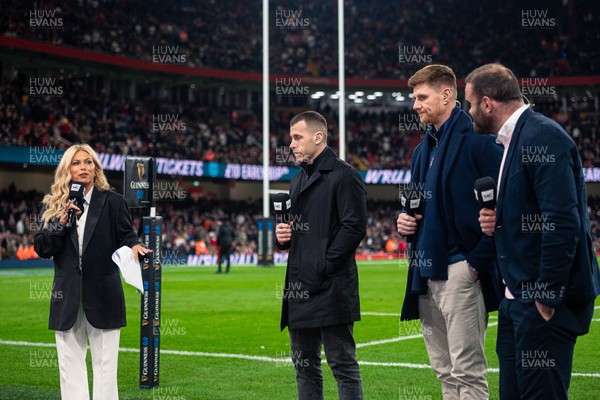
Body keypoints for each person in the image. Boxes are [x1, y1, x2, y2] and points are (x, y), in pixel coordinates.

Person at [465, 63, 600, 400]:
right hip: (517, 301)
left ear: (487, 103)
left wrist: (547, 295)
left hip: (540, 304)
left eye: (469, 104)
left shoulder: (541, 134)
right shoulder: (516, 138)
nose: (468, 112)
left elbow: (562, 221)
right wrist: (498, 221)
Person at [396, 64, 503, 400]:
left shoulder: (479, 140)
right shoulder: (421, 151)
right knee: (444, 372)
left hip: (461, 269)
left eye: (421, 97)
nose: (415, 105)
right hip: (426, 273)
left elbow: (505, 207)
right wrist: (406, 223)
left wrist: (476, 263)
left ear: (446, 96)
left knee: (467, 372)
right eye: (414, 98)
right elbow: (415, 208)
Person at [33, 144, 150, 400]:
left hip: (104, 294)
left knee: (106, 367)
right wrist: (62, 222)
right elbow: (42, 247)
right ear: (68, 169)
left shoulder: (113, 201)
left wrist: (135, 245)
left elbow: (127, 235)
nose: (83, 167)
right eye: (77, 163)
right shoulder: (54, 205)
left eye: (88, 162)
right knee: (69, 367)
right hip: (67, 297)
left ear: (95, 168)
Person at [275, 111, 367, 400]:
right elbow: (299, 233)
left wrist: (323, 264)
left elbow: (354, 227)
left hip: (331, 287)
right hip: (300, 288)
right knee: (304, 368)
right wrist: (283, 239)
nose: (291, 144)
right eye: (291, 138)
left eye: (297, 137)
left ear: (318, 137)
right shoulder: (297, 181)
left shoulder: (345, 175)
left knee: (342, 366)